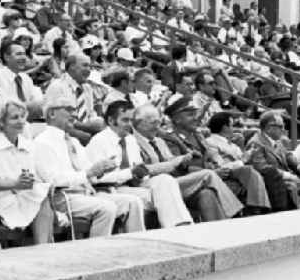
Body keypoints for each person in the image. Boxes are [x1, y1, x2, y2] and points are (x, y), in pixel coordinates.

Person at [33, 95, 146, 237]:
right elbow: (53, 180)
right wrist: (89, 173)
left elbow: (90, 172)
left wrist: (102, 169)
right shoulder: (42, 142)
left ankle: (136, 247)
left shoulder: (73, 141)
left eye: (74, 110)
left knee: (132, 202)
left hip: (86, 193)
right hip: (63, 197)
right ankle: (96, 254)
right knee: (107, 208)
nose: (74, 114)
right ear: (51, 113)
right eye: (69, 109)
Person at [86, 100, 193, 228]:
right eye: (125, 120)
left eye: (131, 120)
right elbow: (95, 178)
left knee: (165, 180)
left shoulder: (130, 140)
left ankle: (181, 225)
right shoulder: (98, 141)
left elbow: (138, 170)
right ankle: (175, 228)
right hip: (111, 189)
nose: (129, 125)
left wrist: (141, 173)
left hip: (134, 185)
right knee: (161, 197)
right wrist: (129, 173)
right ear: (110, 121)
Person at [132, 104, 243, 222]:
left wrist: (184, 158)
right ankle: (235, 214)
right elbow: (143, 170)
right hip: (157, 184)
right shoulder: (133, 142)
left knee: (206, 193)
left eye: (158, 123)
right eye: (153, 123)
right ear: (139, 123)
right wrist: (176, 162)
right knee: (208, 174)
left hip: (175, 180)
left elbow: (172, 161)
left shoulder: (158, 141)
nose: (157, 127)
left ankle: (220, 229)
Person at [162, 96, 271, 214]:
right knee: (212, 191)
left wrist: (219, 167)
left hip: (215, 171)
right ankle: (237, 215)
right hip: (196, 181)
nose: (196, 118)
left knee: (248, 171)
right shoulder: (171, 139)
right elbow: (178, 169)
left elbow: (211, 156)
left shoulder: (197, 134)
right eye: (190, 115)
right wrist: (214, 172)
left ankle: (258, 211)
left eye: (195, 114)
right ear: (177, 119)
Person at [0, 99, 54, 244]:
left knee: (43, 194)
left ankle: (43, 249)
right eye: (15, 117)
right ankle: (43, 248)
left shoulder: (28, 145)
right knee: (39, 196)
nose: (21, 121)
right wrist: (14, 184)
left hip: (24, 198)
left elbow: (37, 178)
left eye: (23, 116)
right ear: (1, 122)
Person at [44, 53, 105, 144]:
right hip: (62, 130)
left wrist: (99, 123)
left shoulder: (87, 88)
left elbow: (90, 114)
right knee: (87, 138)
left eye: (90, 67)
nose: (89, 70)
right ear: (72, 66)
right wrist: (86, 128)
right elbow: (53, 120)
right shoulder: (57, 86)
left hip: (84, 129)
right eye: (85, 65)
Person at [0, 39, 44, 119]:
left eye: (24, 54)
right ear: (6, 57)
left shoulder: (25, 78)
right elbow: (1, 108)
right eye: (19, 54)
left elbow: (37, 99)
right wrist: (31, 106)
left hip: (26, 120)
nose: (23, 58)